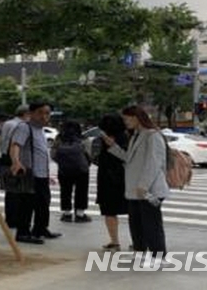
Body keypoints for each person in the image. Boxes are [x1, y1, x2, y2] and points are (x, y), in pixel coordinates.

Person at [102, 105, 169, 259]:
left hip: (149, 189)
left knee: (151, 224)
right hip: (134, 189)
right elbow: (129, 158)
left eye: (127, 118)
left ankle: (158, 256)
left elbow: (154, 162)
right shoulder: (136, 135)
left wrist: (144, 185)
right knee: (136, 224)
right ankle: (140, 252)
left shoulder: (152, 135)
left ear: (137, 117)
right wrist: (113, 147)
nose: (125, 122)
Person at [10, 102, 62, 244]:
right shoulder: (25, 128)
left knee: (43, 203)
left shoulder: (40, 130)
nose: (44, 116)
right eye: (40, 112)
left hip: (42, 174)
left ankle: (40, 229)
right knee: (27, 204)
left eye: (47, 113)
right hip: (30, 173)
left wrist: (48, 174)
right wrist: (16, 162)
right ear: (31, 113)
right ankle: (23, 233)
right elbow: (15, 145)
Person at [94, 114, 129, 250]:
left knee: (109, 211)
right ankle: (136, 241)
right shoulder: (127, 137)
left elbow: (95, 157)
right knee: (131, 210)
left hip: (106, 178)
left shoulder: (102, 139)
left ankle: (115, 241)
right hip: (125, 178)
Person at [0, 105, 30, 230]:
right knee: (19, 190)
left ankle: (10, 218)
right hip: (15, 159)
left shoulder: (6, 123)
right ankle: (15, 219)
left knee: (9, 190)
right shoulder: (21, 126)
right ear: (26, 114)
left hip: (4, 157)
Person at [51, 120, 91, 223]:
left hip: (64, 170)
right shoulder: (83, 139)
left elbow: (53, 154)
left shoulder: (59, 139)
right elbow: (90, 154)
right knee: (81, 191)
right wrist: (86, 163)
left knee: (65, 191)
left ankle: (67, 214)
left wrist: (62, 163)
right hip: (81, 170)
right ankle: (80, 215)